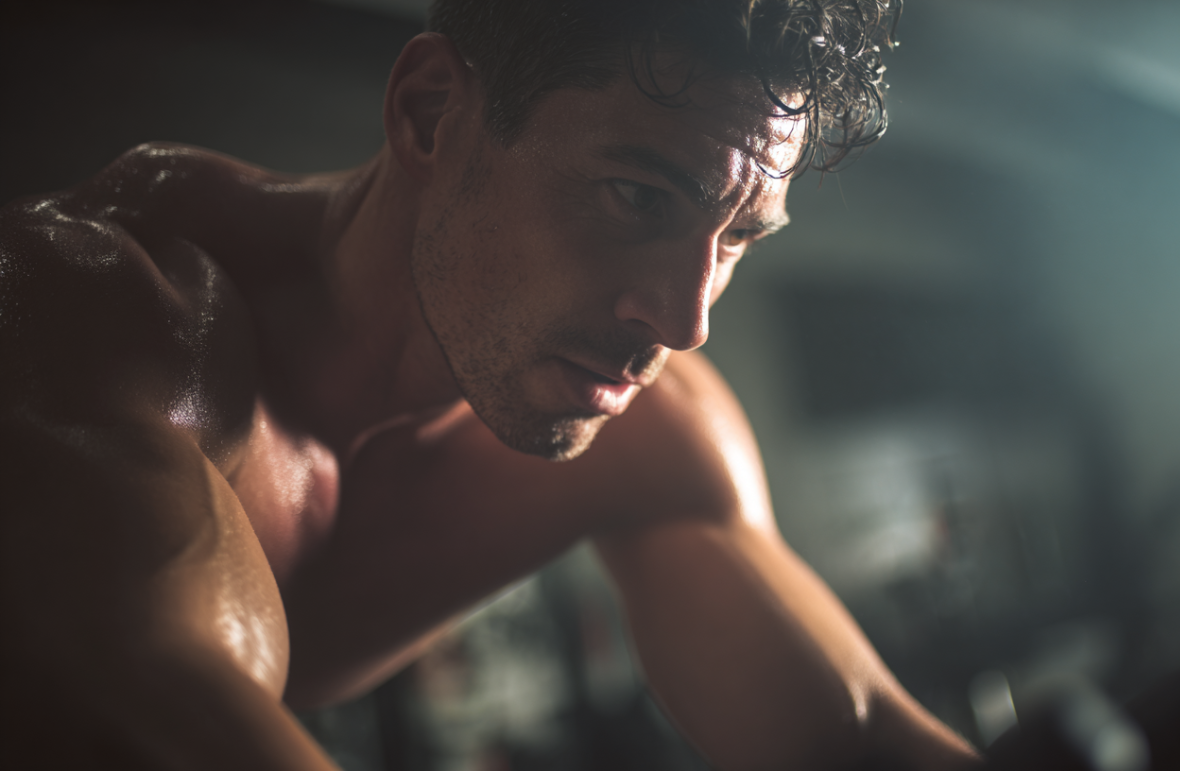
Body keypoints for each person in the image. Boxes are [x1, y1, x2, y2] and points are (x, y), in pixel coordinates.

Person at [0, 1, 981, 768]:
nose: (685, 323)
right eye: (635, 196)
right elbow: (161, 714)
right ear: (431, 114)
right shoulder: (92, 321)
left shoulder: (653, 435)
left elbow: (855, 744)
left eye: (731, 240)